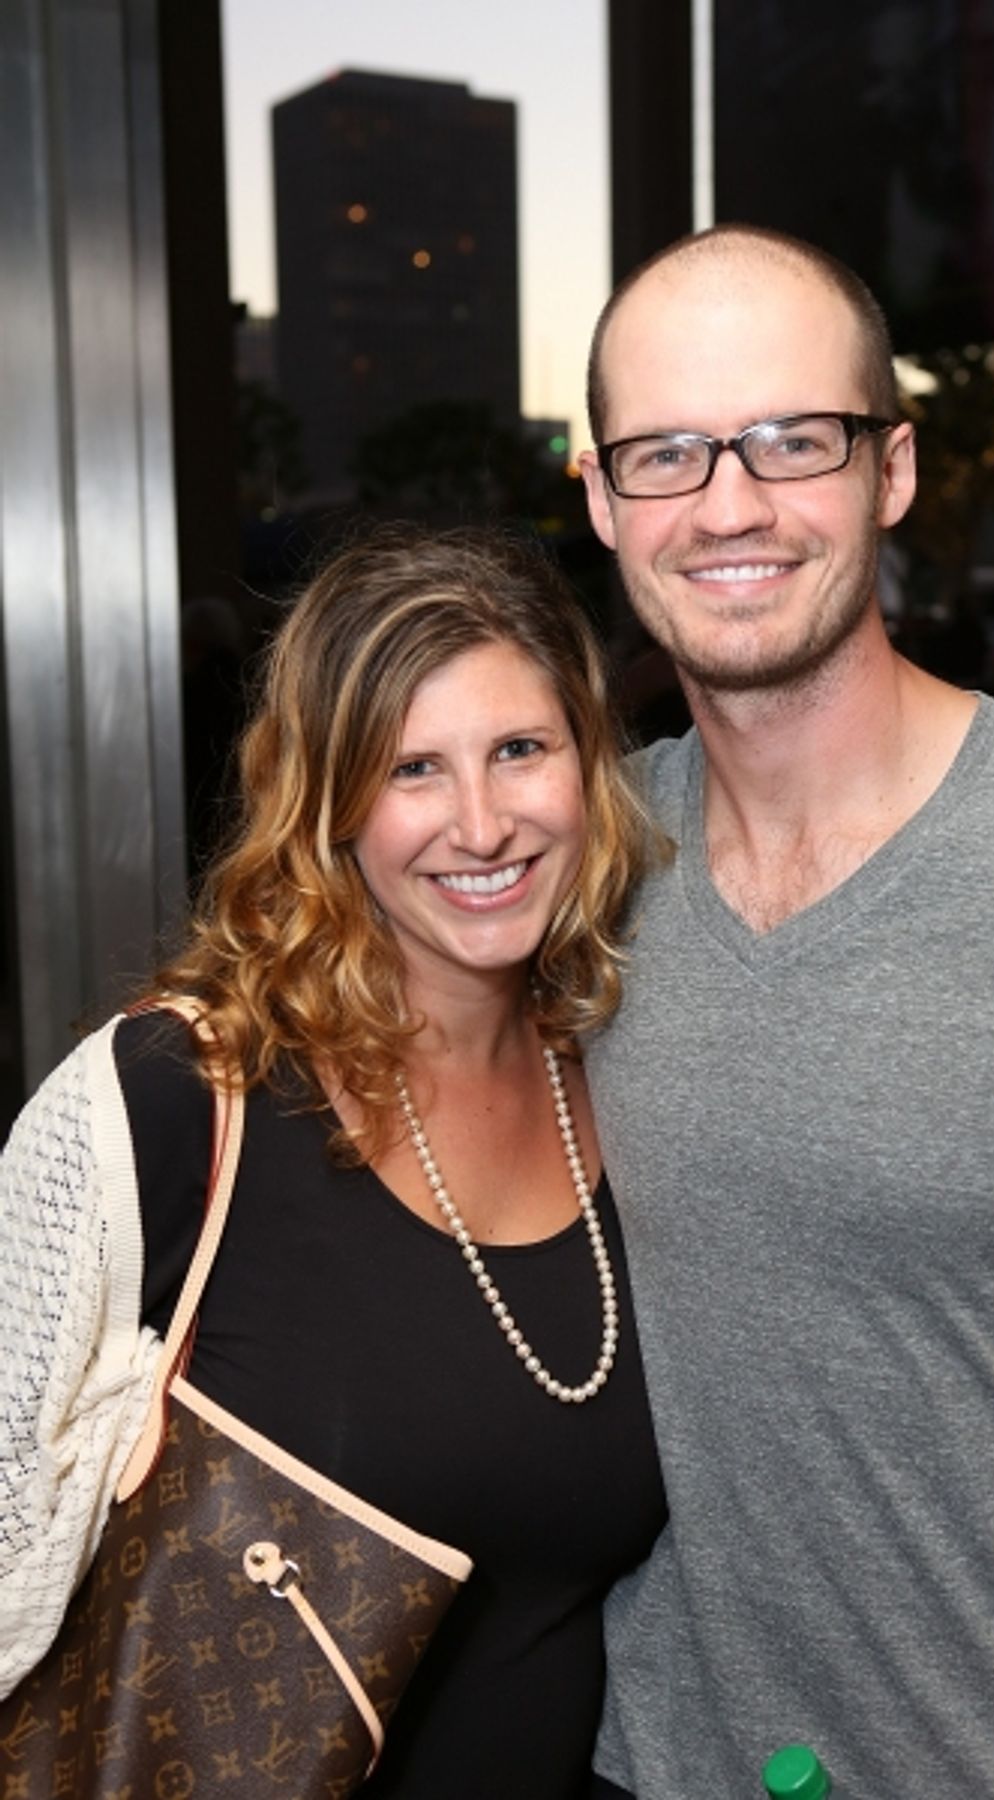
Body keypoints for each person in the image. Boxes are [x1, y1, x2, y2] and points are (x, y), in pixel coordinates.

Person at [576, 224, 994, 1800]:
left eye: (795, 439)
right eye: (668, 452)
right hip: (663, 1769)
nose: (729, 504)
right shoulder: (575, 871)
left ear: (893, 470)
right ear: (600, 498)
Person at [0, 525, 667, 1798]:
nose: (481, 824)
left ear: (586, 764)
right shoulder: (180, 1098)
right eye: (412, 768)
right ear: (330, 804)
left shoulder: (622, 1077)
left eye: (519, 750)